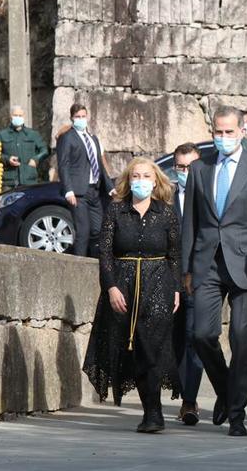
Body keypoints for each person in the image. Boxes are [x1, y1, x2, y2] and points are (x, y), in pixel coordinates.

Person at [181, 106, 247, 437]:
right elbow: (190, 222)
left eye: (229, 132)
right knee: (202, 334)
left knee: (240, 339)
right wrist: (187, 268)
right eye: (217, 133)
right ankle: (226, 391)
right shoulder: (199, 169)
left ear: (242, 131)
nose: (223, 138)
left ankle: (237, 414)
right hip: (207, 263)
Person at [82, 157, 182, 433]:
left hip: (158, 285)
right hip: (124, 286)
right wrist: (111, 286)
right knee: (133, 347)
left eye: (146, 176)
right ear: (128, 180)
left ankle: (154, 412)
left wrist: (175, 289)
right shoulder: (115, 211)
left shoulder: (166, 213)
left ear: (156, 180)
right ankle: (149, 409)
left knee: (153, 347)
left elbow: (174, 254)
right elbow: (104, 252)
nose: (141, 181)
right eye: (135, 176)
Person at [170, 143, 203, 426]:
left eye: (190, 167)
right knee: (173, 340)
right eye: (180, 167)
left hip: (198, 280)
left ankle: (189, 401)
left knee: (195, 338)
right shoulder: (165, 198)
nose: (185, 172)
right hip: (168, 279)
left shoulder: (209, 197)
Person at [56, 103, 115, 257]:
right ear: (72, 118)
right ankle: (78, 265)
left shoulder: (92, 138)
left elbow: (100, 165)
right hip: (77, 192)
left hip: (94, 190)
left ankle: (94, 261)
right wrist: (68, 190)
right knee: (83, 231)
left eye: (83, 116)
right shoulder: (67, 138)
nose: (81, 119)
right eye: (77, 117)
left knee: (98, 229)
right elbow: (63, 165)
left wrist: (110, 187)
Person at [0, 105, 48, 191]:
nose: (18, 117)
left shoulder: (33, 134)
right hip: (9, 183)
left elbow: (45, 150)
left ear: (24, 116)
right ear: (10, 116)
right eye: (15, 115)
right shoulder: (1, 135)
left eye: (20, 115)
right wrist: (7, 159)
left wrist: (36, 159)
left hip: (29, 181)